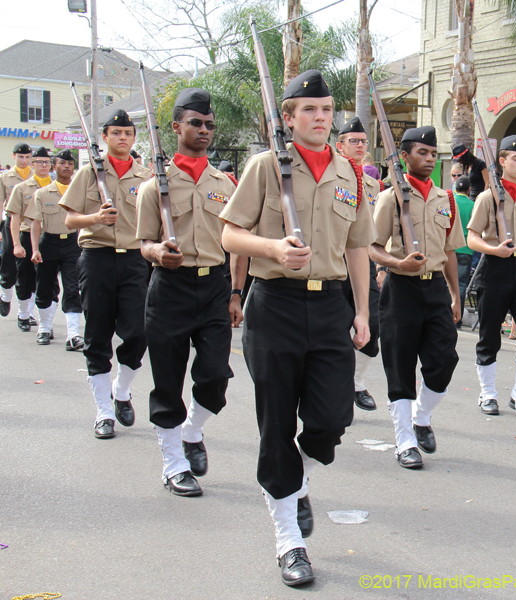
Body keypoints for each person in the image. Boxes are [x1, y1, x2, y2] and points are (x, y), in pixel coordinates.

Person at [220, 69, 374, 586]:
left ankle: (294, 477)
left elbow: (357, 246)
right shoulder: (266, 167)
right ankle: (290, 539)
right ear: (287, 118)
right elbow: (229, 234)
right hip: (276, 307)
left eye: (327, 110)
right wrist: (273, 248)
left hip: (330, 305)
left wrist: (362, 310)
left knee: (332, 420)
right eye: (309, 110)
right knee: (276, 422)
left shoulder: (350, 174)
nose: (320, 118)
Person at [136, 87, 245, 498]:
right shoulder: (155, 187)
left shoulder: (226, 183)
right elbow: (142, 242)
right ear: (177, 126)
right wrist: (155, 252)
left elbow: (237, 242)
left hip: (215, 288)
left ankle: (193, 429)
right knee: (167, 380)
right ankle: (173, 464)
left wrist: (236, 293)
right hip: (170, 288)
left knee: (216, 375)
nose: (204, 130)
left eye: (210, 125)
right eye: (196, 123)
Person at [370, 126, 464, 469]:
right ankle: (405, 440)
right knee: (400, 365)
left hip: (435, 288)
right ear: (405, 156)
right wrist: (397, 262)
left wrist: (456, 294)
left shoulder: (446, 198)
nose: (427, 159)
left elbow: (451, 251)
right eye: (420, 153)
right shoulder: (390, 197)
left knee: (444, 361)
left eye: (431, 153)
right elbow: (373, 246)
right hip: (401, 289)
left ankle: (421, 416)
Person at [60, 109, 153, 440]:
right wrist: (95, 218)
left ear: (133, 137)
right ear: (105, 137)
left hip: (133, 260)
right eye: (116, 133)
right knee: (97, 335)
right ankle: (103, 412)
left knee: (138, 332)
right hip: (96, 258)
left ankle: (122, 390)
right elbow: (70, 220)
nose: (122, 138)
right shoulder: (89, 174)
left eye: (128, 133)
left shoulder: (146, 177)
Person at [466, 134, 516, 420]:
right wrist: (493, 250)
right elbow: (472, 238)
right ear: (502, 162)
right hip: (495, 267)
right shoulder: (487, 197)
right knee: (489, 335)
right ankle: (488, 393)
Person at [335, 115, 382, 411]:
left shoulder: (373, 185)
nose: (360, 146)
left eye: (364, 142)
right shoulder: (332, 176)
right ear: (340, 145)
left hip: (363, 259)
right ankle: (340, 385)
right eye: (354, 141)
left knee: (374, 324)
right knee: (338, 327)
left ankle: (356, 381)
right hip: (334, 259)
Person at [26, 149, 82, 349]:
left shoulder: (80, 191)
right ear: (53, 166)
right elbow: (35, 223)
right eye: (62, 163)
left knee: (73, 288)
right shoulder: (42, 193)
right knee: (45, 287)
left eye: (70, 163)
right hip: (48, 242)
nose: (66, 167)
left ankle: (73, 334)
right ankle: (45, 328)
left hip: (72, 244)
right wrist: (34, 249)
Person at [7, 147, 52, 332]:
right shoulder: (22, 188)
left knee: (46, 279)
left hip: (48, 237)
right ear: (32, 165)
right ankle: (24, 313)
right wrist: (16, 244)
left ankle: (43, 320)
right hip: (26, 235)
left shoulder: (57, 186)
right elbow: (15, 218)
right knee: (25, 276)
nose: (43, 165)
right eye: (39, 162)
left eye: (47, 162)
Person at [0, 142, 33, 318]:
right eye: (21, 157)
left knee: (27, 269)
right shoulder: (5, 177)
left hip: (30, 226)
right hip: (10, 223)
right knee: (7, 263)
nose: (24, 160)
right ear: (14, 156)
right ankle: (5, 296)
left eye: (27, 157)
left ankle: (26, 312)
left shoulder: (36, 176)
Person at [452, 175, 476, 311]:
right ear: (469, 190)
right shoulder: (473, 205)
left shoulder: (450, 202)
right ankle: (458, 317)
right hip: (466, 248)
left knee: (446, 283)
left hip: (450, 247)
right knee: (461, 285)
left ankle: (446, 315)